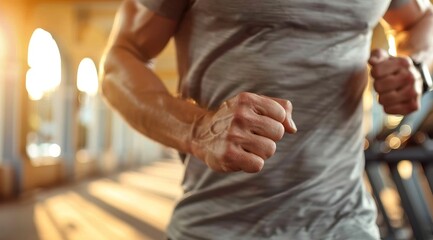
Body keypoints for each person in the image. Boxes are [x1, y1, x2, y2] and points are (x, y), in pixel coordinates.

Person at [100, 0, 433, 239]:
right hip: (219, 226)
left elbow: (420, 18)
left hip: (346, 222)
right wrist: (198, 130)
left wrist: (414, 67)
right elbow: (119, 61)